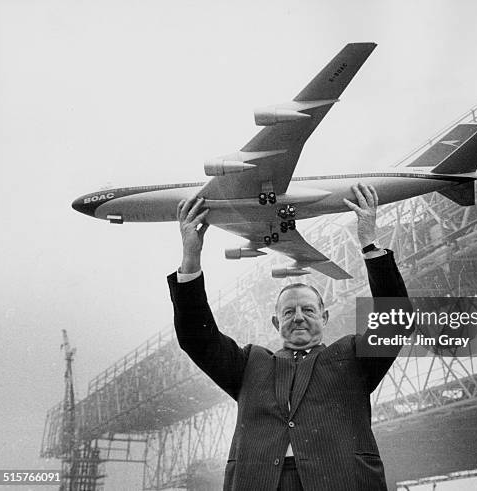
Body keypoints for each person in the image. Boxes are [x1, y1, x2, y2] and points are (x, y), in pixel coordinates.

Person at [168, 183, 408, 491]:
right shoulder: (248, 364)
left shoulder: (352, 357)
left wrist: (369, 244)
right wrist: (191, 257)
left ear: (325, 317)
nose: (298, 317)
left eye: (308, 310)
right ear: (275, 322)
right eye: (288, 312)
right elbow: (195, 338)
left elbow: (396, 322)